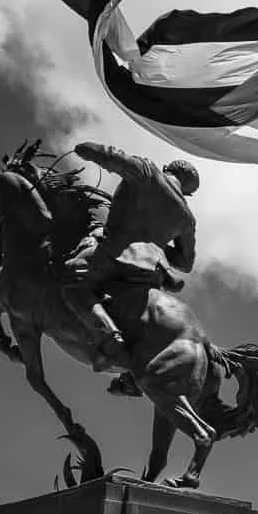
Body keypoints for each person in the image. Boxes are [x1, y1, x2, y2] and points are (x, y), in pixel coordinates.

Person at [62, 141, 200, 370]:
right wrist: (156, 244)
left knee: (71, 278)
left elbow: (111, 156)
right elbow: (186, 263)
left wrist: (82, 149)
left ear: (168, 168)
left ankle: (109, 338)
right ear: (188, 192)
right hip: (150, 275)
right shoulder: (187, 218)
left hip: (112, 255)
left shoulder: (149, 172)